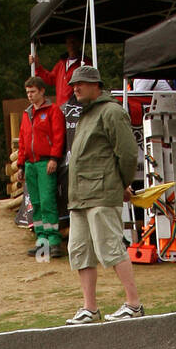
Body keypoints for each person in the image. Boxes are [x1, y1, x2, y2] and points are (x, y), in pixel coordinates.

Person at [64, 65, 143, 325]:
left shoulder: (111, 112)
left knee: (110, 247)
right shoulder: (86, 114)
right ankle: (90, 307)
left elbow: (128, 153)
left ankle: (133, 303)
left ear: (96, 85)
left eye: (82, 83)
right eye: (74, 84)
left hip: (101, 192)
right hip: (80, 195)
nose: (76, 88)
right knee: (80, 251)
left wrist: (122, 183)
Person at [17, 75, 65, 258]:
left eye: (33, 92)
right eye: (27, 92)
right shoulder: (27, 113)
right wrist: (21, 164)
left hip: (46, 162)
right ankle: (41, 241)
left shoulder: (53, 111)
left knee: (47, 201)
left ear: (42, 91)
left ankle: (53, 241)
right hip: (30, 164)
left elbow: (58, 136)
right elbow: (22, 139)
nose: (30, 95)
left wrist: (54, 158)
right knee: (35, 203)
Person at [29, 35, 83, 108]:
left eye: (73, 42)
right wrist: (37, 66)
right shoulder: (61, 63)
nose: (71, 44)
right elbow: (50, 79)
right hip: (61, 108)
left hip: (77, 108)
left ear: (79, 43)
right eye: (69, 42)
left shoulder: (85, 63)